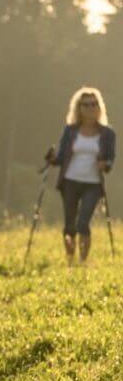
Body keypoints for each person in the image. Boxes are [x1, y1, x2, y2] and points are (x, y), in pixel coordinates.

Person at [47, 86, 116, 264]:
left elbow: (110, 159)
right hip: (69, 181)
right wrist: (52, 159)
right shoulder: (70, 131)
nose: (90, 108)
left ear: (99, 107)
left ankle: (82, 261)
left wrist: (105, 164)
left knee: (83, 222)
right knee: (70, 224)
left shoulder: (107, 133)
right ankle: (70, 259)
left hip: (93, 183)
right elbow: (62, 158)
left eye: (94, 104)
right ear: (79, 108)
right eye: (86, 105)